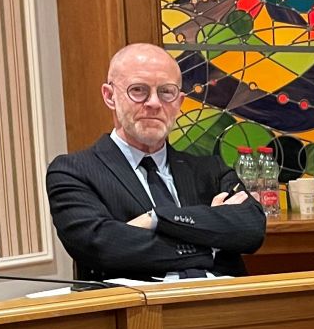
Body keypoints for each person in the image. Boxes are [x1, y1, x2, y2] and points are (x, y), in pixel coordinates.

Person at [46, 43, 265, 280]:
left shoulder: (211, 170)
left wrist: (156, 219)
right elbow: (102, 247)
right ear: (110, 96)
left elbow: (251, 229)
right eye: (138, 90)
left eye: (166, 92)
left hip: (223, 298)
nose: (154, 103)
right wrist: (209, 244)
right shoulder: (73, 172)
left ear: (179, 102)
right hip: (139, 302)